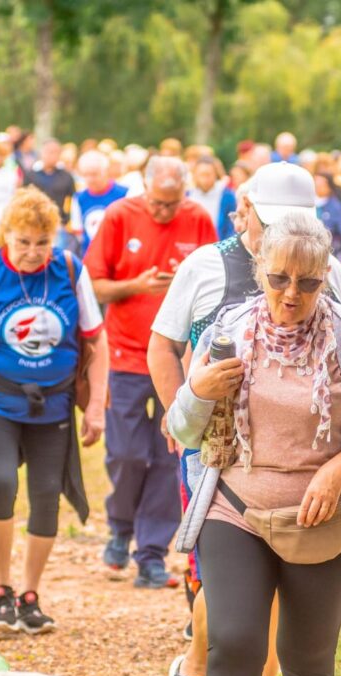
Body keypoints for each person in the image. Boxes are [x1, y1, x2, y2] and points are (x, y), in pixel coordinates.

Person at [167, 212, 341, 676]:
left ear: (326, 276)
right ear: (260, 269)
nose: (292, 293)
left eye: (308, 281)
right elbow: (183, 428)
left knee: (307, 652)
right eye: (279, 278)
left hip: (327, 516)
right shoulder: (226, 334)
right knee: (236, 642)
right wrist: (196, 390)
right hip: (234, 508)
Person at [0, 188, 109, 633]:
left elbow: (96, 339)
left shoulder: (70, 270)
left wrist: (96, 406)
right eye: (23, 242)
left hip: (52, 403)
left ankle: (30, 592)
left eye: (42, 242)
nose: (33, 252)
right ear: (6, 236)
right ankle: (0, 588)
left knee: (45, 497)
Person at [85, 156, 217, 589]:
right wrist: (137, 286)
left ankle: (153, 552)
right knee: (125, 452)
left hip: (179, 358)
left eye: (173, 203)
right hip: (125, 353)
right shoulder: (121, 216)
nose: (165, 213)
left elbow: (216, 283)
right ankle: (120, 528)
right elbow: (93, 283)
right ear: (143, 189)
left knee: (169, 455)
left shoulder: (198, 219)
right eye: (158, 204)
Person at [70, 150, 128, 256]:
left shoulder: (124, 193)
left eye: (94, 174)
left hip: (119, 255)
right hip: (91, 256)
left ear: (105, 171)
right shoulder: (79, 198)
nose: (90, 179)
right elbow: (78, 231)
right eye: (86, 175)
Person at [25, 139, 76, 248]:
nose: (52, 155)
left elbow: (71, 199)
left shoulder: (66, 177)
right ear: (42, 153)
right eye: (49, 152)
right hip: (34, 222)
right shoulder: (31, 175)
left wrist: (67, 220)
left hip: (58, 223)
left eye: (55, 152)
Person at [187, 156, 237, 241]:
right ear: (195, 175)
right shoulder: (188, 196)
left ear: (215, 174)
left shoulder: (227, 196)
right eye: (202, 174)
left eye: (208, 174)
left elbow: (232, 227)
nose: (205, 179)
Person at [315, 172, 341, 269]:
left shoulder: (335, 206)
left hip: (330, 252)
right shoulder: (308, 204)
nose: (318, 187)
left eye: (322, 184)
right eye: (316, 183)